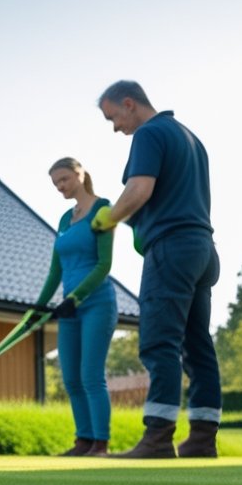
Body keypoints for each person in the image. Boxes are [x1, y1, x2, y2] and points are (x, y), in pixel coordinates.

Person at [90, 81, 222, 458]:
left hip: (171, 249)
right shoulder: (190, 138)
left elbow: (139, 191)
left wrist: (108, 219)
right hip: (203, 249)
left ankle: (158, 438)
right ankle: (202, 438)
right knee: (198, 346)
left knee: (159, 340)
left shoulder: (149, 134)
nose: (115, 127)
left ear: (129, 104)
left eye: (113, 117)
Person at [32, 157, 117, 456]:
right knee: (70, 377)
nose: (60, 187)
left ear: (80, 175)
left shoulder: (103, 209)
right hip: (69, 308)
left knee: (91, 374)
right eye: (56, 183)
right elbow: (56, 271)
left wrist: (75, 299)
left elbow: (104, 265)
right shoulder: (64, 220)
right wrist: (38, 307)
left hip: (97, 303)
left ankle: (100, 443)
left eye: (64, 180)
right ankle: (82, 440)